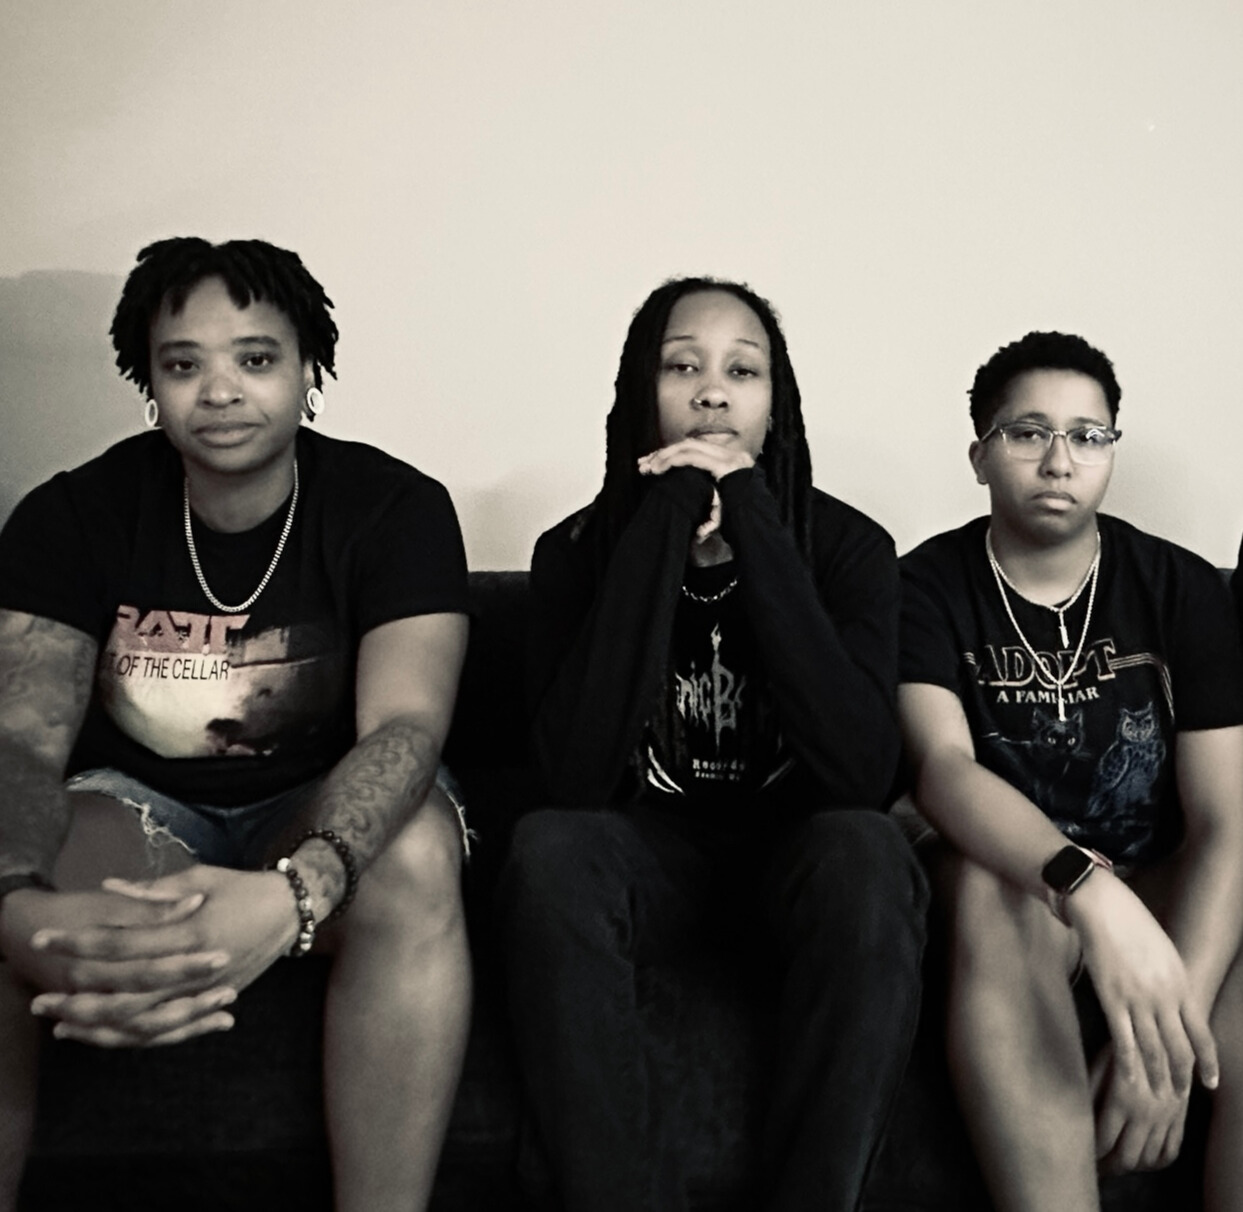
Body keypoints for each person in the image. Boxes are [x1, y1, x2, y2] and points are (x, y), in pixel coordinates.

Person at [0, 238, 472, 1212]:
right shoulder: (70, 516)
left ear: (309, 374)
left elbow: (404, 731)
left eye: (255, 359)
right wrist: (11, 905)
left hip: (323, 801)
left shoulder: (395, 509)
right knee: (33, 880)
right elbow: (21, 744)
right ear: (148, 381)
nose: (220, 390)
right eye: (185, 364)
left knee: (419, 853)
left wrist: (298, 892)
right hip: (142, 809)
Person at [498, 278, 929, 1211]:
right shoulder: (575, 550)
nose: (711, 392)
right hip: (649, 860)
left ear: (777, 403)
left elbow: (856, 773)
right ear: (638, 393)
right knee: (547, 846)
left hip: (795, 859)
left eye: (743, 370)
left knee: (867, 846)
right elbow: (571, 773)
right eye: (681, 365)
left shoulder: (849, 549)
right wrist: (660, 524)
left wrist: (754, 518)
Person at [898, 331, 1243, 1210]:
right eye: (1027, 432)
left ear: (1110, 453)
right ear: (979, 454)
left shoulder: (1181, 587)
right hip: (1015, 885)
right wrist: (1087, 891)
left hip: (1158, 878)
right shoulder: (921, 586)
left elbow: (1225, 823)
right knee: (988, 890)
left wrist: (1170, 1034)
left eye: (1087, 436)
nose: (1059, 460)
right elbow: (940, 769)